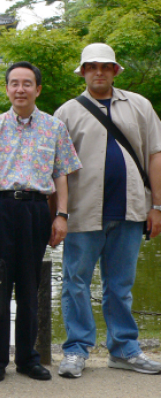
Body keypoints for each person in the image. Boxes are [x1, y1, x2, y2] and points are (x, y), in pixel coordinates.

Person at [54, 43, 161, 378]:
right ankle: (76, 349)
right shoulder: (67, 113)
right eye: (91, 67)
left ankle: (124, 349)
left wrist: (157, 205)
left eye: (105, 66)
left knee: (120, 285)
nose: (98, 72)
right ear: (83, 72)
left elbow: (155, 154)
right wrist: (57, 213)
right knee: (76, 282)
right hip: (82, 211)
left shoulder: (140, 106)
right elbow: (56, 169)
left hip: (131, 208)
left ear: (115, 71)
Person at [0, 62, 82, 383]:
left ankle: (27, 359)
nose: (20, 89)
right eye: (14, 83)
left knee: (29, 288)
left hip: (36, 210)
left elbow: (61, 175)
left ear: (38, 89)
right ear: (7, 88)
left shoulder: (54, 127)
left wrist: (61, 215)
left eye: (27, 83)